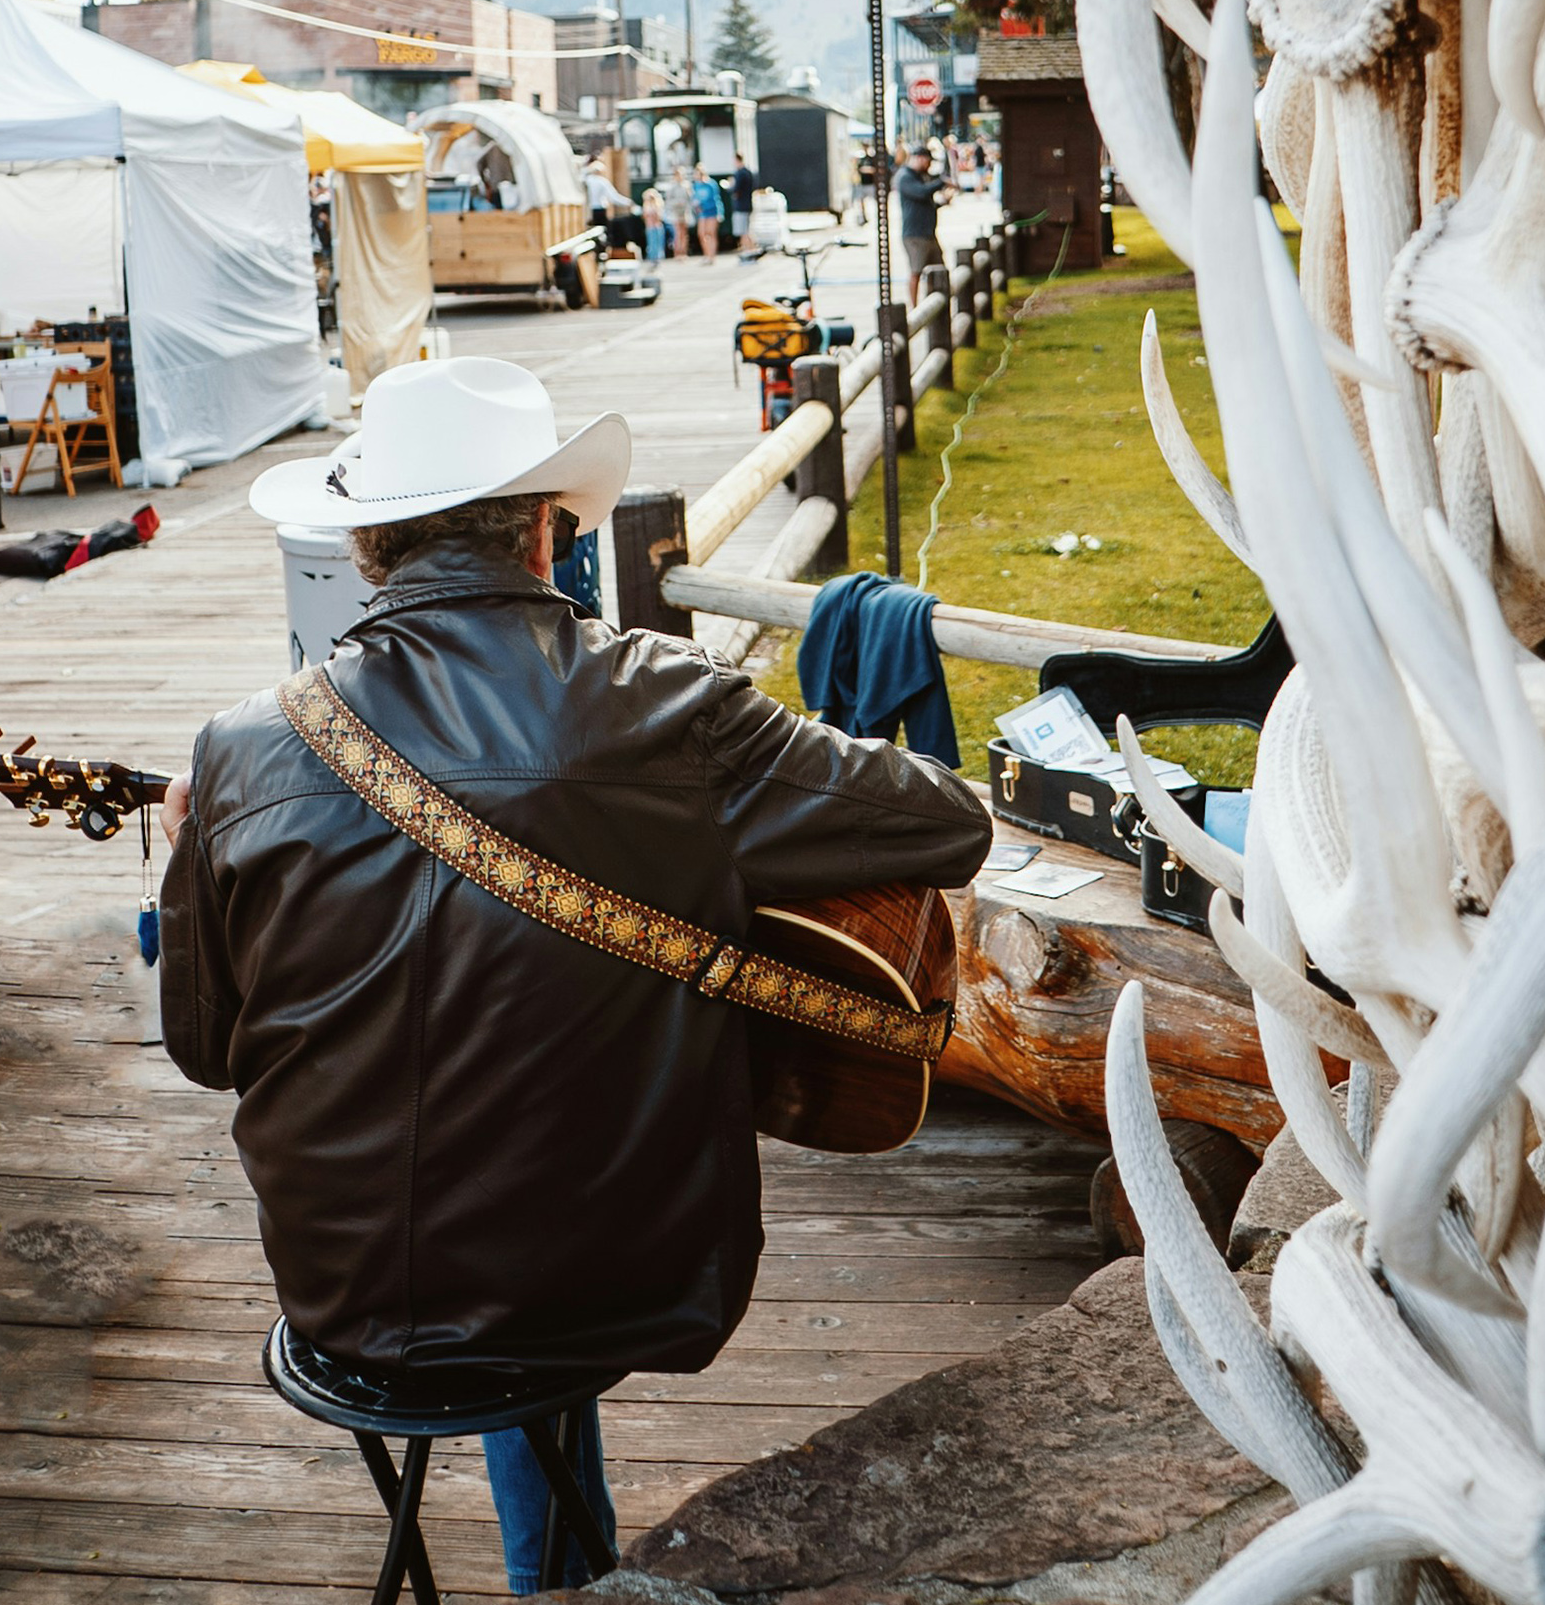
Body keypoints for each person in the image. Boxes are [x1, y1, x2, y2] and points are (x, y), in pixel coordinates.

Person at [157, 357, 989, 1593]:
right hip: (624, 1277)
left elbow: (205, 1049)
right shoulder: (668, 708)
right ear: (548, 528)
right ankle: (567, 1570)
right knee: (533, 1202)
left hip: (347, 1299)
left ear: (369, 542)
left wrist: (196, 863)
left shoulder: (240, 748)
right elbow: (943, 824)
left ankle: (557, 1564)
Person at [893, 144, 954, 308]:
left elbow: (926, 202)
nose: (929, 166)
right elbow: (922, 193)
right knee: (916, 271)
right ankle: (915, 308)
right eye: (928, 161)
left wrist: (941, 202)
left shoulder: (920, 176)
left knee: (939, 270)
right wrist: (941, 182)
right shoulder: (905, 176)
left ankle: (936, 304)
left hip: (928, 233)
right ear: (920, 158)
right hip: (915, 235)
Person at [583, 156, 632, 228]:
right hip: (599, 210)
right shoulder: (602, 181)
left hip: (587, 211)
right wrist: (628, 202)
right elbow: (613, 197)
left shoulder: (586, 181)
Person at [691, 165, 724, 262]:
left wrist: (719, 213)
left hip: (712, 212)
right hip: (702, 213)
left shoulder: (711, 184)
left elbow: (716, 198)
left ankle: (711, 256)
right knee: (701, 234)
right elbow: (695, 198)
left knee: (711, 233)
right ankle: (706, 254)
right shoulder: (696, 185)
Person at [729, 151, 758, 256]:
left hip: (741, 206)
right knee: (746, 230)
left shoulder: (740, 173)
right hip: (747, 205)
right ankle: (751, 249)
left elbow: (735, 190)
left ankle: (749, 251)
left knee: (743, 231)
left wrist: (730, 186)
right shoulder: (748, 172)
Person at [667, 163, 693, 259]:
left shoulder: (687, 185)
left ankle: (684, 252)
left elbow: (690, 199)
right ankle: (677, 253)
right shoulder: (672, 187)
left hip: (685, 211)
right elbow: (669, 201)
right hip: (675, 212)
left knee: (684, 233)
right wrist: (677, 203)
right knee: (677, 233)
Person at [641, 186, 668, 268]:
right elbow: (645, 216)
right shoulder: (646, 206)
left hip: (657, 227)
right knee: (651, 243)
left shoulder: (658, 206)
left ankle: (658, 258)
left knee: (658, 243)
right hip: (650, 227)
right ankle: (652, 258)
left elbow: (659, 217)